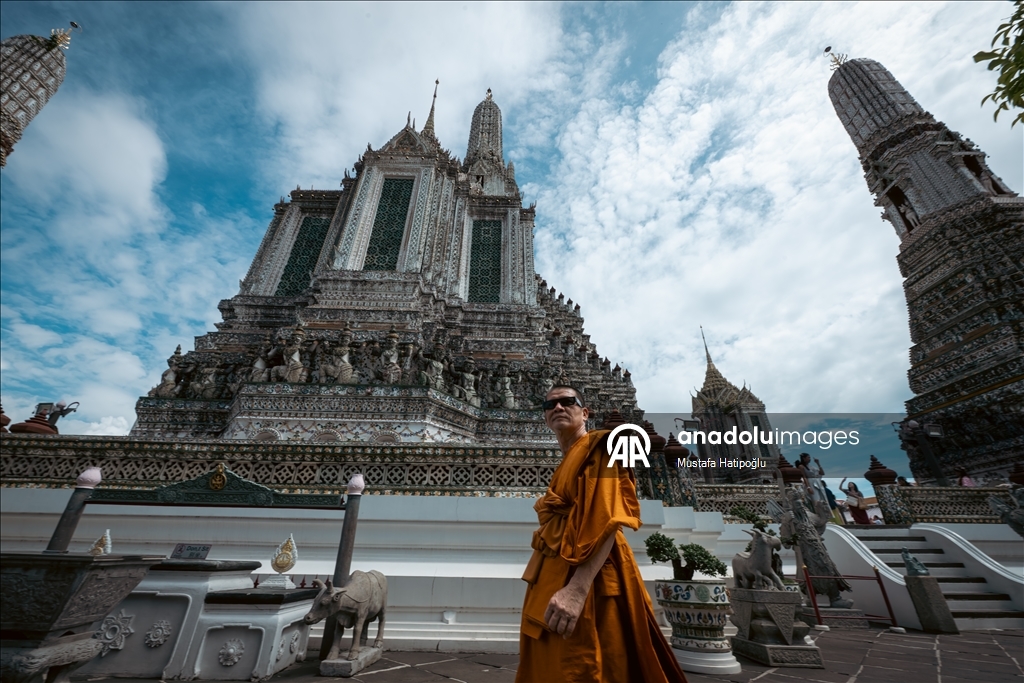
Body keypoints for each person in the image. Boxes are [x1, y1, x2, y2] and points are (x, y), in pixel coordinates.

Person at [517, 385, 687, 683]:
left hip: (590, 574)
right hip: (554, 569)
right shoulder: (569, 459)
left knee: (595, 662)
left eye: (568, 402)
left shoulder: (602, 446)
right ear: (544, 417)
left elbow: (608, 518)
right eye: (550, 404)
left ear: (585, 413)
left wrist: (576, 589)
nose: (558, 408)